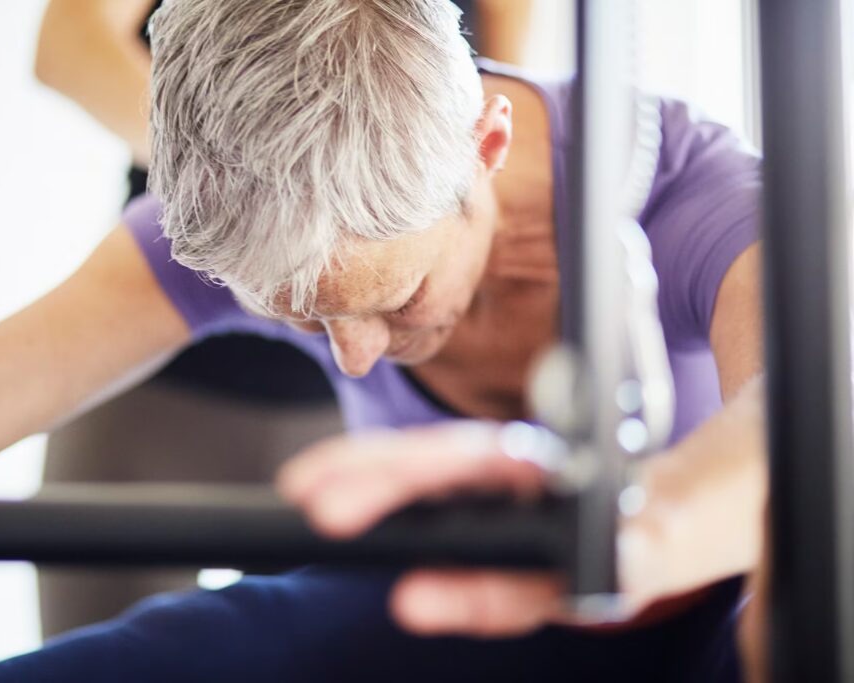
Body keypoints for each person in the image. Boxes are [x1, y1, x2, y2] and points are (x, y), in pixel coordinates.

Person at [0, 0, 764, 680]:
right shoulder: (260, 222)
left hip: (694, 607)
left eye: (394, 300)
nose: (351, 357)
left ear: (484, 145)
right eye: (304, 320)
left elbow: (801, 409)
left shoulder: (700, 190)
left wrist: (634, 536)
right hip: (430, 605)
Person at [31, 0, 537, 637]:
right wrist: (253, 192)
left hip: (368, 407)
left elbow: (497, 79)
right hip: (154, 383)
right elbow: (68, 43)